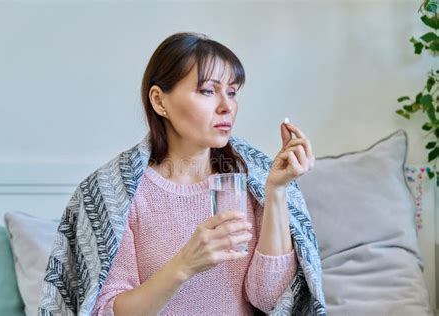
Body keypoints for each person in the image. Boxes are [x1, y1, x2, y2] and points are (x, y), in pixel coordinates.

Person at [38, 32, 326, 316]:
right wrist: (185, 264)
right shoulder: (114, 195)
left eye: (233, 91)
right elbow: (106, 311)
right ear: (159, 101)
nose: (227, 106)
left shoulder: (254, 182)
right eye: (208, 91)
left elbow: (273, 301)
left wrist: (276, 191)